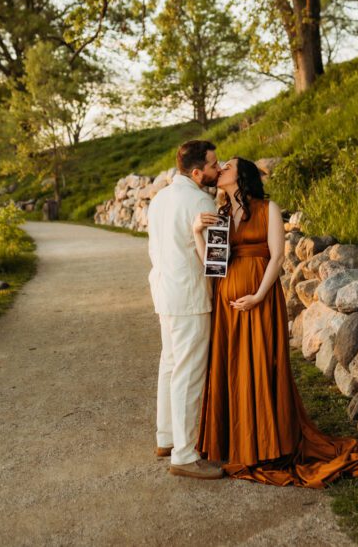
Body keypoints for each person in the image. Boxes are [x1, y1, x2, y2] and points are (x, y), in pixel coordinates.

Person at [193, 157, 358, 488]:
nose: (220, 170)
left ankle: (269, 440)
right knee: (234, 366)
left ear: (241, 176)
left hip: (260, 297)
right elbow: (213, 266)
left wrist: (258, 295)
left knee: (262, 363)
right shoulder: (223, 214)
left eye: (226, 166)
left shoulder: (268, 208)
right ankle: (239, 441)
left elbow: (276, 257)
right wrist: (197, 233)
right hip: (229, 300)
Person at [146, 140, 225, 480]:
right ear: (197, 172)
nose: (218, 169)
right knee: (189, 374)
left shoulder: (161, 197)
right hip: (190, 296)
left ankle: (166, 437)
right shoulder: (201, 202)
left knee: (170, 363)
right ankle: (185, 454)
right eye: (213, 165)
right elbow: (217, 262)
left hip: (164, 292)